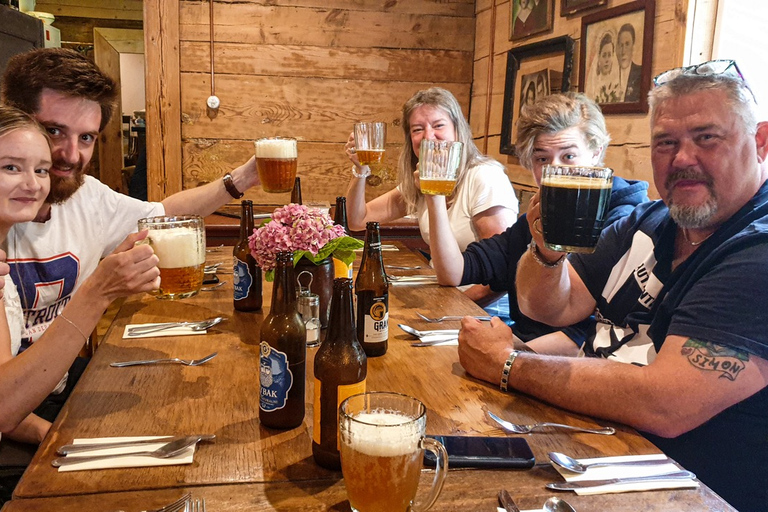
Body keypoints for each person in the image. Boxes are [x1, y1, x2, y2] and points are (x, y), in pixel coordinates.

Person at [458, 61, 768, 511]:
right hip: (584, 452)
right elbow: (552, 307)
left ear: (760, 142)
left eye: (706, 137)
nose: (682, 158)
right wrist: (546, 250)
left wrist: (508, 364)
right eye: (666, 142)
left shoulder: (756, 251)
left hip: (682, 492)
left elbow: (665, 403)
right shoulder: (652, 221)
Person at [0, 48, 257, 419]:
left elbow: (162, 215)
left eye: (86, 138)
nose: (70, 155)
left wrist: (241, 179)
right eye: (53, 131)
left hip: (54, 393)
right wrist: (99, 291)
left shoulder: (87, 196)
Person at [0, 105, 159, 502]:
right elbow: (4, 407)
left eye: (40, 169)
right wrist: (98, 291)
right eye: (10, 168)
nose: (34, 184)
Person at [427, 92, 648, 351]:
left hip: (570, 368)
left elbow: (593, 332)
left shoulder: (624, 221)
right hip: (520, 350)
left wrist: (507, 360)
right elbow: (454, 272)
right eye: (542, 159)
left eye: (568, 157)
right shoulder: (533, 220)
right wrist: (433, 193)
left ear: (596, 153)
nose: (553, 171)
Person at [344, 87, 519, 311]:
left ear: (458, 130)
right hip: (442, 296)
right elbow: (358, 220)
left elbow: (502, 272)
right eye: (418, 129)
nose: (428, 136)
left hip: (485, 310)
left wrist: (456, 306)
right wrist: (361, 170)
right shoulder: (422, 179)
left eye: (438, 125)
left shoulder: (485, 177)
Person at [587, 31, 622, 104]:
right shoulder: (593, 84)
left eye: (609, 55)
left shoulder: (616, 85)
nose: (607, 60)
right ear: (599, 57)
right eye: (604, 55)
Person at [616, 23, 642, 102]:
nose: (623, 51)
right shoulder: (611, 76)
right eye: (621, 45)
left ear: (633, 47)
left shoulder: (640, 73)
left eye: (627, 44)